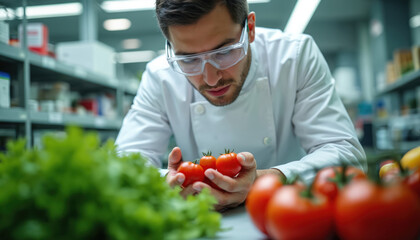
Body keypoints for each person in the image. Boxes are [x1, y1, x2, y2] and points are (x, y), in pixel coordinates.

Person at [116, 0, 366, 210]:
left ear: (251, 29)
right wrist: (170, 182)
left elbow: (347, 155)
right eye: (189, 59)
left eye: (224, 52)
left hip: (287, 212)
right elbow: (124, 163)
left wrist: (266, 179)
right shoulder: (159, 75)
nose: (211, 78)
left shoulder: (294, 56)